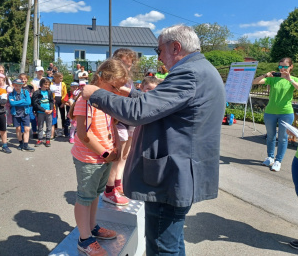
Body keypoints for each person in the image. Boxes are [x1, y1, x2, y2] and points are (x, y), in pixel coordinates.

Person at [82, 24, 226, 255]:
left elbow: (139, 112)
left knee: (161, 248)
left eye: (159, 50)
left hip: (171, 176)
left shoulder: (188, 73)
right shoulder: (201, 69)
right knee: (172, 243)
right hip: (180, 172)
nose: (158, 57)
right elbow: (163, 103)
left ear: (176, 47)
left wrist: (96, 94)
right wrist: (129, 93)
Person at [70, 58, 128, 255]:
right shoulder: (85, 100)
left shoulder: (104, 99)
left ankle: (92, 227)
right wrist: (104, 153)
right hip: (90, 158)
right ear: (102, 78)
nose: (116, 92)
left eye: (119, 89)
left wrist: (116, 147)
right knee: (85, 197)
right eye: (114, 87)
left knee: (95, 194)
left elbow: (112, 125)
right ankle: (84, 239)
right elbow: (84, 134)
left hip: (104, 157)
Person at [102, 48, 138, 206]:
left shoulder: (129, 81)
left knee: (125, 155)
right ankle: (109, 190)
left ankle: (118, 184)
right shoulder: (110, 81)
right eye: (123, 63)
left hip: (129, 121)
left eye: (129, 65)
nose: (126, 68)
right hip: (116, 121)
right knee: (116, 156)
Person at [253, 57, 297, 172]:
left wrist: (289, 79)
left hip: (286, 113)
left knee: (283, 138)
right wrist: (265, 75)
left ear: (290, 67)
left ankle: (278, 161)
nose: (282, 69)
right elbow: (255, 82)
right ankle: (270, 157)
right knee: (270, 136)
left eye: (285, 66)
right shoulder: (273, 79)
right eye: (280, 66)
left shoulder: (293, 79)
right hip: (270, 112)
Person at [9, 78, 35, 152]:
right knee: (18, 129)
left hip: (25, 113)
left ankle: (26, 145)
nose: (18, 87)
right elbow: (12, 103)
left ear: (22, 86)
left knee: (27, 129)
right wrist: (22, 101)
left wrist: (17, 102)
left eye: (20, 86)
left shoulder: (25, 92)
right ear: (13, 85)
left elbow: (28, 102)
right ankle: (21, 143)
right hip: (15, 113)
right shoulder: (11, 94)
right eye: (16, 86)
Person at [32, 78, 54, 147]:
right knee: (40, 126)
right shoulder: (37, 92)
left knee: (49, 126)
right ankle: (40, 138)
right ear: (41, 84)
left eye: (48, 84)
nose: (46, 86)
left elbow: (51, 101)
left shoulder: (49, 92)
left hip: (49, 112)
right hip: (40, 112)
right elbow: (35, 103)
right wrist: (44, 110)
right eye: (45, 84)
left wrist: (51, 109)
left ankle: (48, 139)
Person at [19, 73, 37, 139]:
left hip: (30, 106)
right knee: (22, 120)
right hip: (21, 106)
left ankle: (34, 132)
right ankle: (23, 132)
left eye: (24, 79)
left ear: (27, 79)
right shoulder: (19, 87)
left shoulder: (29, 87)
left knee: (33, 119)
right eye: (21, 79)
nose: (23, 80)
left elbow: (35, 93)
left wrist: (34, 85)